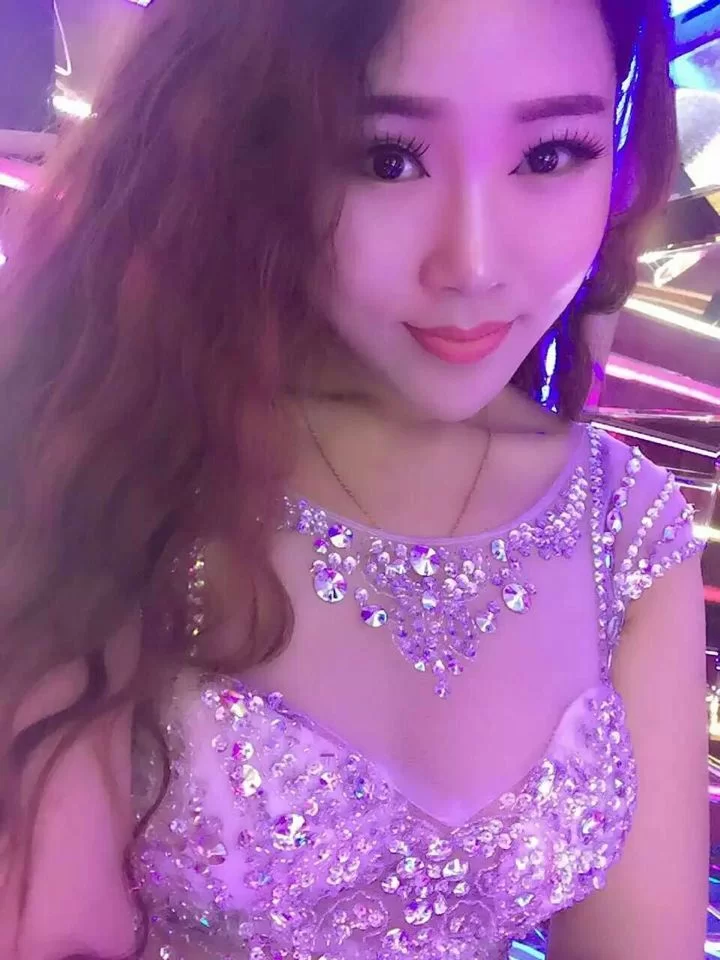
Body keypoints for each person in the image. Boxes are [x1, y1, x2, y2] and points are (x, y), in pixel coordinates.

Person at [0, 0, 709, 958]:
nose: (473, 264)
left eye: (549, 155)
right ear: (246, 141)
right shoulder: (120, 455)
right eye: (387, 159)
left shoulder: (621, 528)